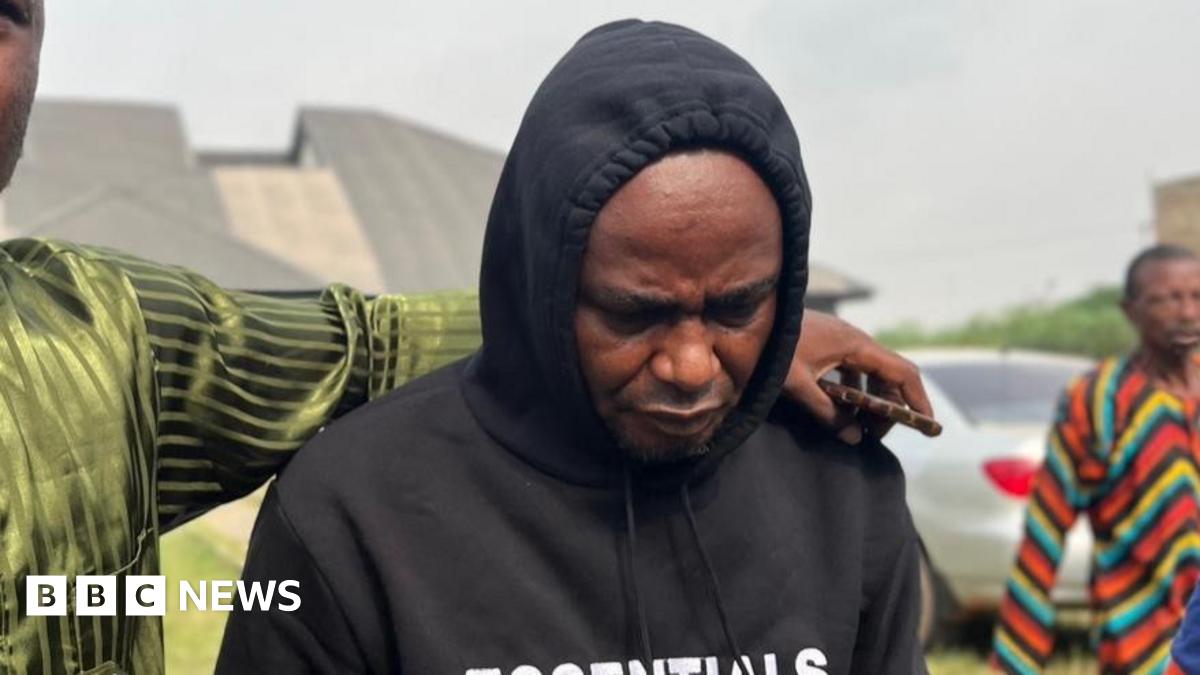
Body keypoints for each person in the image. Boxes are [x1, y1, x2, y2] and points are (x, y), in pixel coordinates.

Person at [0, 4, 932, 674]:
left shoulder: (98, 333)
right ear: (548, 282)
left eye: (732, 305)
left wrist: (751, 334)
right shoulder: (351, 523)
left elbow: (361, 343)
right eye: (634, 309)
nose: (690, 366)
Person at [993, 245, 1200, 673]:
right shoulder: (1098, 400)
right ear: (1130, 310)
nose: (1186, 311)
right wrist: (1017, 662)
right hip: (1135, 630)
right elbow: (1046, 531)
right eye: (1167, 298)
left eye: (1197, 296)